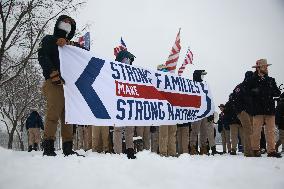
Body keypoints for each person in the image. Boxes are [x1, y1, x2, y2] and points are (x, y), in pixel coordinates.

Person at [38, 15, 85, 156]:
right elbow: (42, 56)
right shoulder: (48, 40)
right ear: (58, 23)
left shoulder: (72, 45)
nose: (66, 24)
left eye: (69, 23)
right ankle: (48, 146)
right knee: (53, 113)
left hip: (69, 85)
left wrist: (72, 45)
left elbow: (82, 57)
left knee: (68, 117)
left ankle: (67, 148)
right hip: (53, 82)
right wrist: (52, 72)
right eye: (64, 21)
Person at [248, 59, 281, 157]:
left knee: (271, 131)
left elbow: (277, 93)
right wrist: (256, 91)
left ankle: (271, 151)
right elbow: (248, 93)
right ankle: (255, 150)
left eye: (267, 66)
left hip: (270, 109)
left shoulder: (271, 80)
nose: (267, 68)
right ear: (259, 68)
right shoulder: (252, 80)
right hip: (257, 110)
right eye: (264, 66)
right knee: (256, 131)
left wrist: (272, 91)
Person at [113, 50, 136, 159]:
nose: (129, 62)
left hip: (129, 104)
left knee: (129, 129)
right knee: (118, 129)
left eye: (130, 60)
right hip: (118, 104)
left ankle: (130, 150)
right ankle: (118, 153)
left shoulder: (132, 73)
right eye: (128, 59)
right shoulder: (113, 71)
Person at [231, 71, 254, 157]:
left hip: (251, 112)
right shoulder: (240, 87)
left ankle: (252, 149)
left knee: (252, 130)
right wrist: (240, 110)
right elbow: (233, 99)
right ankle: (248, 151)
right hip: (243, 112)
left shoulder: (252, 88)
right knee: (248, 129)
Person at [157, 64, 177, 157]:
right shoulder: (157, 83)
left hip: (172, 112)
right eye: (163, 70)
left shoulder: (171, 83)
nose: (165, 71)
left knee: (172, 133)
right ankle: (163, 153)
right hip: (163, 111)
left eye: (166, 70)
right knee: (164, 134)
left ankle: (172, 152)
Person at [189, 70, 209, 155]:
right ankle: (192, 147)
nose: (203, 77)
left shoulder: (204, 86)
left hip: (204, 112)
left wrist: (209, 111)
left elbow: (207, 99)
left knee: (204, 131)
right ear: (197, 76)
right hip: (196, 112)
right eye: (201, 75)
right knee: (195, 131)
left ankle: (203, 148)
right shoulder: (192, 86)